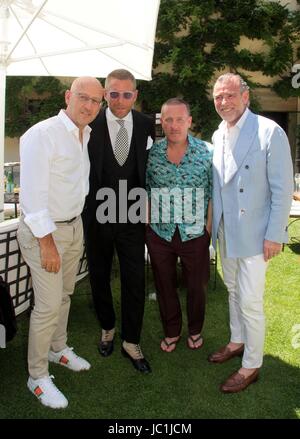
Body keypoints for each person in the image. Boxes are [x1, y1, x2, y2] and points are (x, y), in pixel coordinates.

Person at [17, 77, 104, 409]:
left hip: (73, 226)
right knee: (48, 305)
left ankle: (58, 349)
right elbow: (33, 197)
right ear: (68, 96)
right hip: (46, 234)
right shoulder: (42, 135)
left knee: (65, 295)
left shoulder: (84, 133)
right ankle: (36, 375)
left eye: (96, 101)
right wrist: (47, 243)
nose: (89, 106)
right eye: (83, 98)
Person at [209, 73, 293, 393]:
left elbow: (283, 188)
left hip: (257, 235)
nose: (224, 102)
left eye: (230, 95)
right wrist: (212, 229)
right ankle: (237, 340)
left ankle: (251, 364)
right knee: (233, 291)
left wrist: (275, 234)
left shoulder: (270, 131)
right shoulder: (218, 134)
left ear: (246, 96)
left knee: (251, 301)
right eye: (218, 97)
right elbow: (219, 184)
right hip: (227, 232)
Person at [83, 69, 155, 374]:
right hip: (97, 214)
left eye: (127, 94)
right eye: (114, 93)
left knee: (134, 278)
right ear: (105, 94)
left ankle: (131, 340)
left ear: (135, 96)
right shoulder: (89, 124)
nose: (120, 100)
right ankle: (108, 327)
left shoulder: (145, 124)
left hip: (133, 215)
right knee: (98, 275)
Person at [146, 98, 212, 353]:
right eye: (168, 120)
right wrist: (148, 227)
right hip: (160, 233)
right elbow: (147, 190)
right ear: (162, 122)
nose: (174, 125)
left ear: (189, 121)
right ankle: (171, 330)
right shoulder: (152, 155)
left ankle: (195, 329)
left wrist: (207, 228)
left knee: (197, 286)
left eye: (179, 119)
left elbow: (213, 192)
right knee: (164, 285)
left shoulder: (207, 152)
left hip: (195, 233)